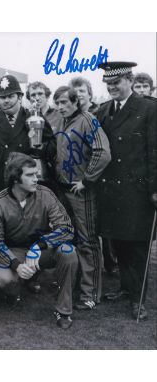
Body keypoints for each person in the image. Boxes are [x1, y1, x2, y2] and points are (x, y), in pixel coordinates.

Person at [96, 61, 157, 320]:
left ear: (130, 81)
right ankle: (124, 287)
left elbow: (154, 151)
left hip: (138, 190)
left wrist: (155, 188)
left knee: (138, 247)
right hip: (111, 190)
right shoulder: (103, 110)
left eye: (116, 82)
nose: (112, 87)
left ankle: (138, 299)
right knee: (118, 242)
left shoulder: (149, 109)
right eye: (108, 83)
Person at [0, 152, 78, 329]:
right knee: (4, 280)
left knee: (68, 252)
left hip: (42, 249)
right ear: (15, 179)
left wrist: (39, 245)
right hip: (15, 252)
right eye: (30, 175)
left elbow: (66, 228)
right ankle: (18, 286)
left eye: (36, 174)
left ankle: (64, 310)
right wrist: (16, 265)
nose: (36, 179)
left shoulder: (46, 194)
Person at [53, 86, 111, 310]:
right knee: (69, 238)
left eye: (65, 103)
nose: (60, 107)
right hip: (64, 190)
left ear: (76, 102)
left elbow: (103, 152)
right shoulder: (62, 121)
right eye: (57, 103)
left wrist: (87, 180)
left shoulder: (88, 119)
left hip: (82, 191)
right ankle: (75, 286)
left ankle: (90, 294)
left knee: (87, 241)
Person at [0, 74, 56, 202]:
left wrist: (39, 149)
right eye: (2, 97)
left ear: (20, 97)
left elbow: (51, 146)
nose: (6, 100)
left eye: (10, 96)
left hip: (27, 187)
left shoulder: (34, 117)